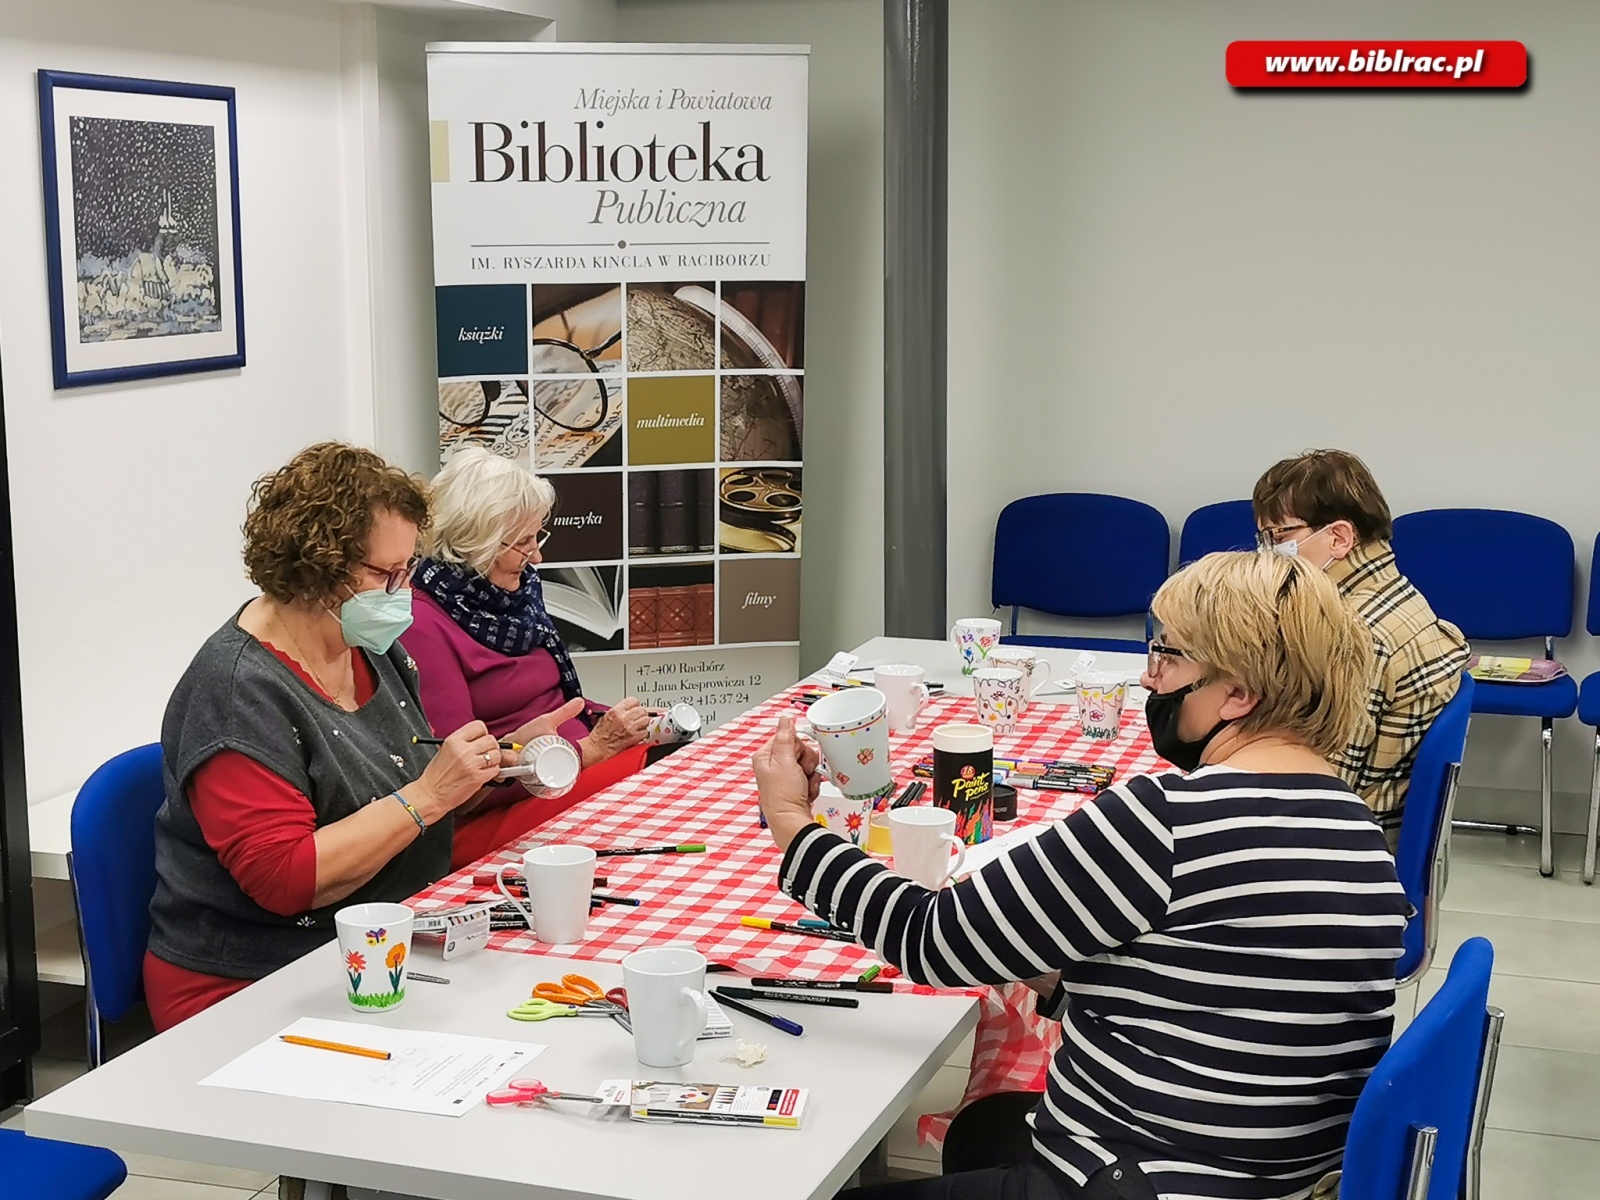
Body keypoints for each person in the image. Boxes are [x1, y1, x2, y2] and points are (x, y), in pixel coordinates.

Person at [753, 552, 1407, 1200]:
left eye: (1169, 658)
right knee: (985, 1129)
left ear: (1237, 693)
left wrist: (790, 818)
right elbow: (1207, 996)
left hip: (1145, 1178)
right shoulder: (1357, 830)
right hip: (1263, 1173)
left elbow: (930, 940)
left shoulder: (1170, 819)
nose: (1151, 681)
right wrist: (1034, 947)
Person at [146, 443, 561, 1031]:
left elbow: (408, 779)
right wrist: (429, 796)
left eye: (407, 569)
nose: (401, 590)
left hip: (381, 942)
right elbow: (286, 879)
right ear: (316, 568)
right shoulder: (239, 695)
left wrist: (484, 763)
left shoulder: (368, 646)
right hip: (254, 981)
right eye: (384, 574)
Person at [402, 447, 656, 868]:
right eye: (523, 543)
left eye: (537, 537)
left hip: (561, 768)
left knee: (680, 754)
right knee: (662, 776)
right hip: (501, 810)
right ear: (474, 543)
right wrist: (590, 749)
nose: (537, 556)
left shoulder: (511, 594)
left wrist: (617, 723)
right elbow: (463, 787)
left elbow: (555, 700)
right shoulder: (422, 623)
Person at [1253, 448, 1470, 848]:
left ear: (1338, 537)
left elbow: (1321, 783)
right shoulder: (1394, 596)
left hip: (1344, 844)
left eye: (1278, 536)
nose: (1267, 552)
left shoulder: (1353, 634)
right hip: (1372, 823)